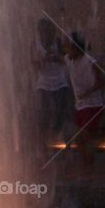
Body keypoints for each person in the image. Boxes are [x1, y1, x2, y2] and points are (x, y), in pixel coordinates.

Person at [64, 31, 104, 172]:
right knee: (80, 139)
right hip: (80, 105)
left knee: (86, 137)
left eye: (68, 46)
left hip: (92, 104)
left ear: (76, 47)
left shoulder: (89, 61)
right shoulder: (69, 59)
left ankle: (89, 166)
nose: (66, 49)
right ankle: (85, 164)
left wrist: (87, 92)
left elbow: (101, 81)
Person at [33, 18, 69, 155]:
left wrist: (57, 58)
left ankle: (63, 140)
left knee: (61, 111)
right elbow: (34, 65)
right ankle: (42, 145)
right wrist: (43, 59)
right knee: (44, 113)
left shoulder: (58, 42)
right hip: (43, 82)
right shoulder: (35, 44)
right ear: (40, 32)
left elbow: (67, 60)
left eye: (49, 31)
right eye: (44, 31)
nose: (47, 34)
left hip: (60, 81)